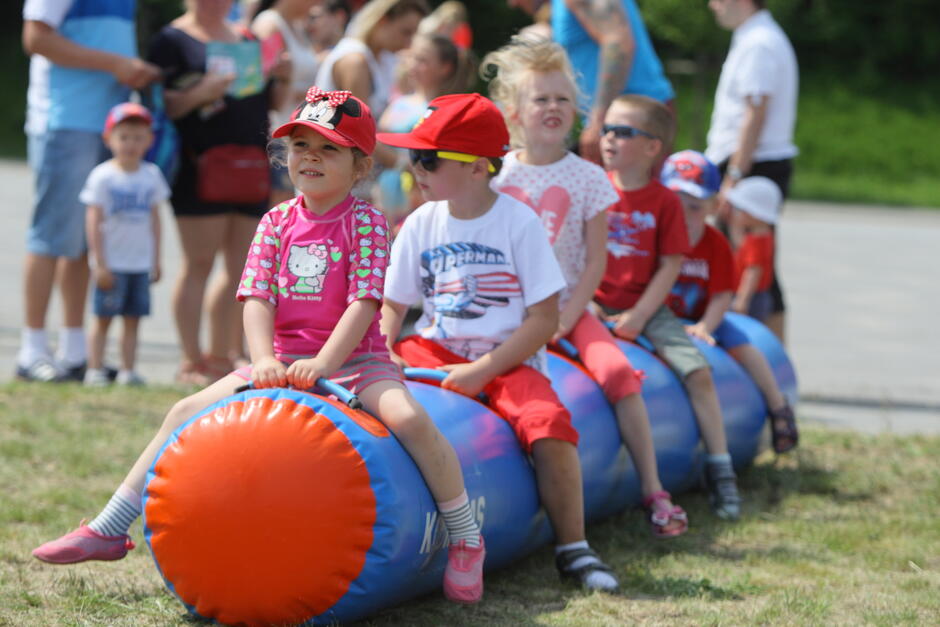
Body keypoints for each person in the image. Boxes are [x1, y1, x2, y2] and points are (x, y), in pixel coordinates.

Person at [32, 88, 486, 605]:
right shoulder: (276, 222)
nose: (309, 157)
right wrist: (265, 358)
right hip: (282, 359)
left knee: (409, 420)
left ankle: (467, 536)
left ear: (360, 166)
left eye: (328, 148)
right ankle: (111, 526)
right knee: (184, 408)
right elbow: (255, 298)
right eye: (299, 145)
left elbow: (363, 305)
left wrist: (323, 365)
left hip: (357, 363)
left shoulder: (367, 223)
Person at [378, 93, 619, 590]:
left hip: (509, 355)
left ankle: (574, 548)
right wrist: (383, 351)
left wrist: (484, 370)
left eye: (427, 159)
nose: (415, 170)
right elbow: (393, 306)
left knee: (549, 428)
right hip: (435, 348)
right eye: (412, 159)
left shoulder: (517, 222)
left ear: (477, 167)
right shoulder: (420, 222)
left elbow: (543, 318)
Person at [485, 37, 687, 538]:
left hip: (571, 307)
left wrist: (566, 319)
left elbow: (596, 260)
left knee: (619, 373)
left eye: (562, 99)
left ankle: (654, 490)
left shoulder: (589, 177)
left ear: (576, 110)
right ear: (514, 111)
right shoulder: (496, 177)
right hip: (506, 313)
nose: (553, 108)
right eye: (540, 98)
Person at [595, 95, 742, 520]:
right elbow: (576, 256)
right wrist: (589, 303)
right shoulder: (591, 187)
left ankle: (720, 466)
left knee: (698, 371)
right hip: (594, 300)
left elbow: (670, 265)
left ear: (651, 147)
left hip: (648, 305)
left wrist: (640, 315)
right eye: (606, 128)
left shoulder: (663, 202)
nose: (609, 138)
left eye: (623, 131)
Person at [18, 0, 161, 382]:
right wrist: (116, 64)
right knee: (51, 237)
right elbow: (35, 38)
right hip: (65, 118)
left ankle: (74, 351)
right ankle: (31, 351)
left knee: (82, 241)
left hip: (106, 120)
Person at [148, 0, 286, 384]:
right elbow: (163, 106)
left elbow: (268, 101)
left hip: (249, 165)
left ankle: (222, 355)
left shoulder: (247, 39)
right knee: (199, 263)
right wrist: (202, 92)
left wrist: (283, 76)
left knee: (243, 270)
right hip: (198, 166)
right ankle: (191, 360)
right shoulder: (172, 40)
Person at [661, 151, 798, 454]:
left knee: (745, 347)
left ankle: (778, 408)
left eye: (694, 208)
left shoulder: (715, 244)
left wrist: (706, 326)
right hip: (661, 320)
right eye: (675, 205)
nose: (684, 215)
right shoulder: (656, 237)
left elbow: (723, 293)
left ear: (713, 206)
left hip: (705, 317)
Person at [705, 0, 798, 342]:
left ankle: (771, 363)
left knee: (752, 270)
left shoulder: (759, 42)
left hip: (752, 166)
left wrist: (734, 176)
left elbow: (754, 113)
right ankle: (772, 362)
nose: (712, 6)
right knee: (757, 270)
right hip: (749, 164)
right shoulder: (755, 37)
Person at [507, 0, 674, 165]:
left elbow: (618, 43)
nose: (512, 4)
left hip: (634, 122)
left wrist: (599, 120)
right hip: (620, 121)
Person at [81, 103, 168, 387]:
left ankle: (127, 370)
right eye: (124, 136)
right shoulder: (102, 176)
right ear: (109, 139)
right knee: (103, 317)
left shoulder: (151, 175)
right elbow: (93, 220)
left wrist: (156, 260)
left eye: (138, 136)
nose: (131, 144)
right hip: (113, 262)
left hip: (139, 263)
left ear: (149, 140)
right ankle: (95, 369)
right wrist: (99, 262)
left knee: (133, 318)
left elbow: (156, 220)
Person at [375, 34, 472, 227]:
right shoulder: (399, 103)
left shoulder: (446, 110)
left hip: (420, 195)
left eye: (422, 60)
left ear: (445, 68)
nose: (412, 64)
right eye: (412, 57)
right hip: (386, 194)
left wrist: (402, 164)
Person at [252, 0, 323, 205]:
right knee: (281, 216)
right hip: (280, 137)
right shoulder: (270, 25)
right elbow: (260, 87)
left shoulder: (296, 26)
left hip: (300, 134)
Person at [726, 176, 780, 322]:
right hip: (755, 295)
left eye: (738, 208)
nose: (735, 213)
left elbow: (753, 271)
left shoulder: (757, 242)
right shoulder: (761, 236)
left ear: (753, 213)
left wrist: (742, 300)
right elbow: (741, 248)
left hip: (751, 297)